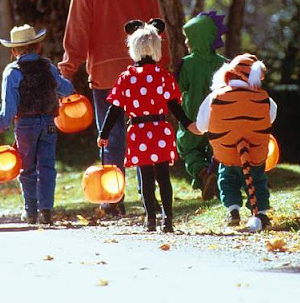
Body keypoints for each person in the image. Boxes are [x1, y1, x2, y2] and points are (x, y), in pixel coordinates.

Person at [59, 0, 170, 216]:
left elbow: (79, 30)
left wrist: (68, 69)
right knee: (147, 130)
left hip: (105, 73)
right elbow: (158, 30)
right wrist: (163, 68)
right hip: (143, 74)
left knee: (111, 134)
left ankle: (113, 197)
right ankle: (150, 196)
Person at [97, 19, 198, 233]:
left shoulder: (126, 78)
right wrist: (189, 123)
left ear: (133, 48)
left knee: (146, 178)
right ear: (156, 48)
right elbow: (174, 106)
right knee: (163, 177)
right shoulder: (163, 77)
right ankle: (167, 220)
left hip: (139, 132)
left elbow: (114, 108)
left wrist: (103, 133)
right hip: (160, 129)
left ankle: (150, 219)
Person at [0, 24, 74, 225]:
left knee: (27, 168)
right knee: (47, 167)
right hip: (48, 123)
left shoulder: (12, 71)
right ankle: (46, 210)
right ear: (38, 47)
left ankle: (31, 210)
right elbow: (67, 90)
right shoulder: (48, 67)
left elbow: (10, 106)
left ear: (13, 51)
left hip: (25, 125)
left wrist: (1, 125)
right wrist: (64, 81)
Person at [194, 53, 277, 232]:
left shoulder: (215, 96)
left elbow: (202, 125)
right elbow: (270, 118)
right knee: (257, 180)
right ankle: (260, 213)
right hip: (254, 152)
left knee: (227, 178)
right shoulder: (264, 97)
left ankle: (233, 211)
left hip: (227, 152)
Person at [176, 12, 227, 200]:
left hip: (193, 122)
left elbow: (176, 90)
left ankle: (204, 173)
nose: (187, 44)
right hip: (219, 122)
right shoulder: (224, 64)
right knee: (219, 152)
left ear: (198, 39)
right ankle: (220, 181)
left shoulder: (187, 64)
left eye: (189, 39)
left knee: (189, 150)